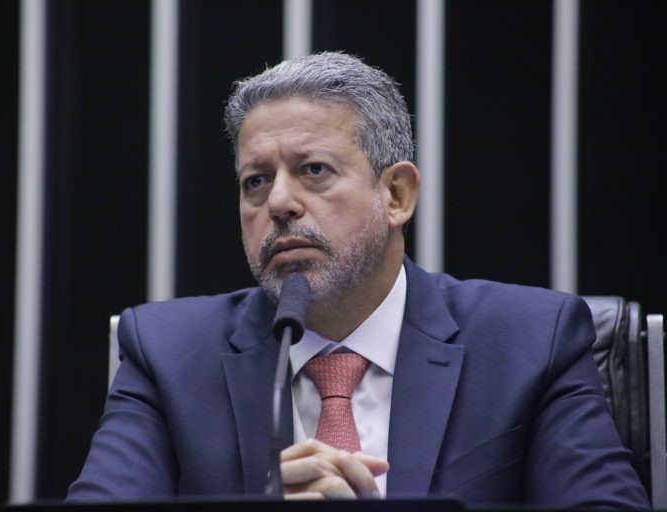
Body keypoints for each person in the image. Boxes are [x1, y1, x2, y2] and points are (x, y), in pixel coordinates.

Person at [67, 51, 649, 508]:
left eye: (313, 170)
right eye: (255, 181)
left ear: (396, 195)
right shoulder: (168, 353)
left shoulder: (530, 341)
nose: (280, 203)